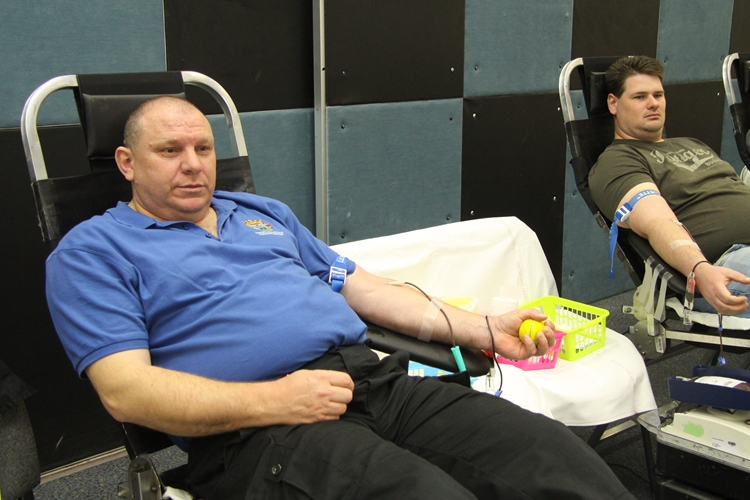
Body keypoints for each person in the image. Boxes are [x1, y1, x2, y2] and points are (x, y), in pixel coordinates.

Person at [46, 96, 634, 500]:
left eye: (202, 148)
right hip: (257, 431)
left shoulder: (259, 213)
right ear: (127, 163)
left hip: (373, 385)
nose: (194, 165)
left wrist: (485, 328)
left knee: (552, 456)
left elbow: (365, 289)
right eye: (170, 151)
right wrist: (274, 400)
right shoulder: (93, 252)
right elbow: (125, 392)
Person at [589, 55, 750, 318]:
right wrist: (700, 269)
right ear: (613, 103)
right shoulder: (617, 161)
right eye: (640, 97)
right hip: (725, 264)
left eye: (658, 95)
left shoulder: (692, 143)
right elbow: (657, 222)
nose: (653, 103)